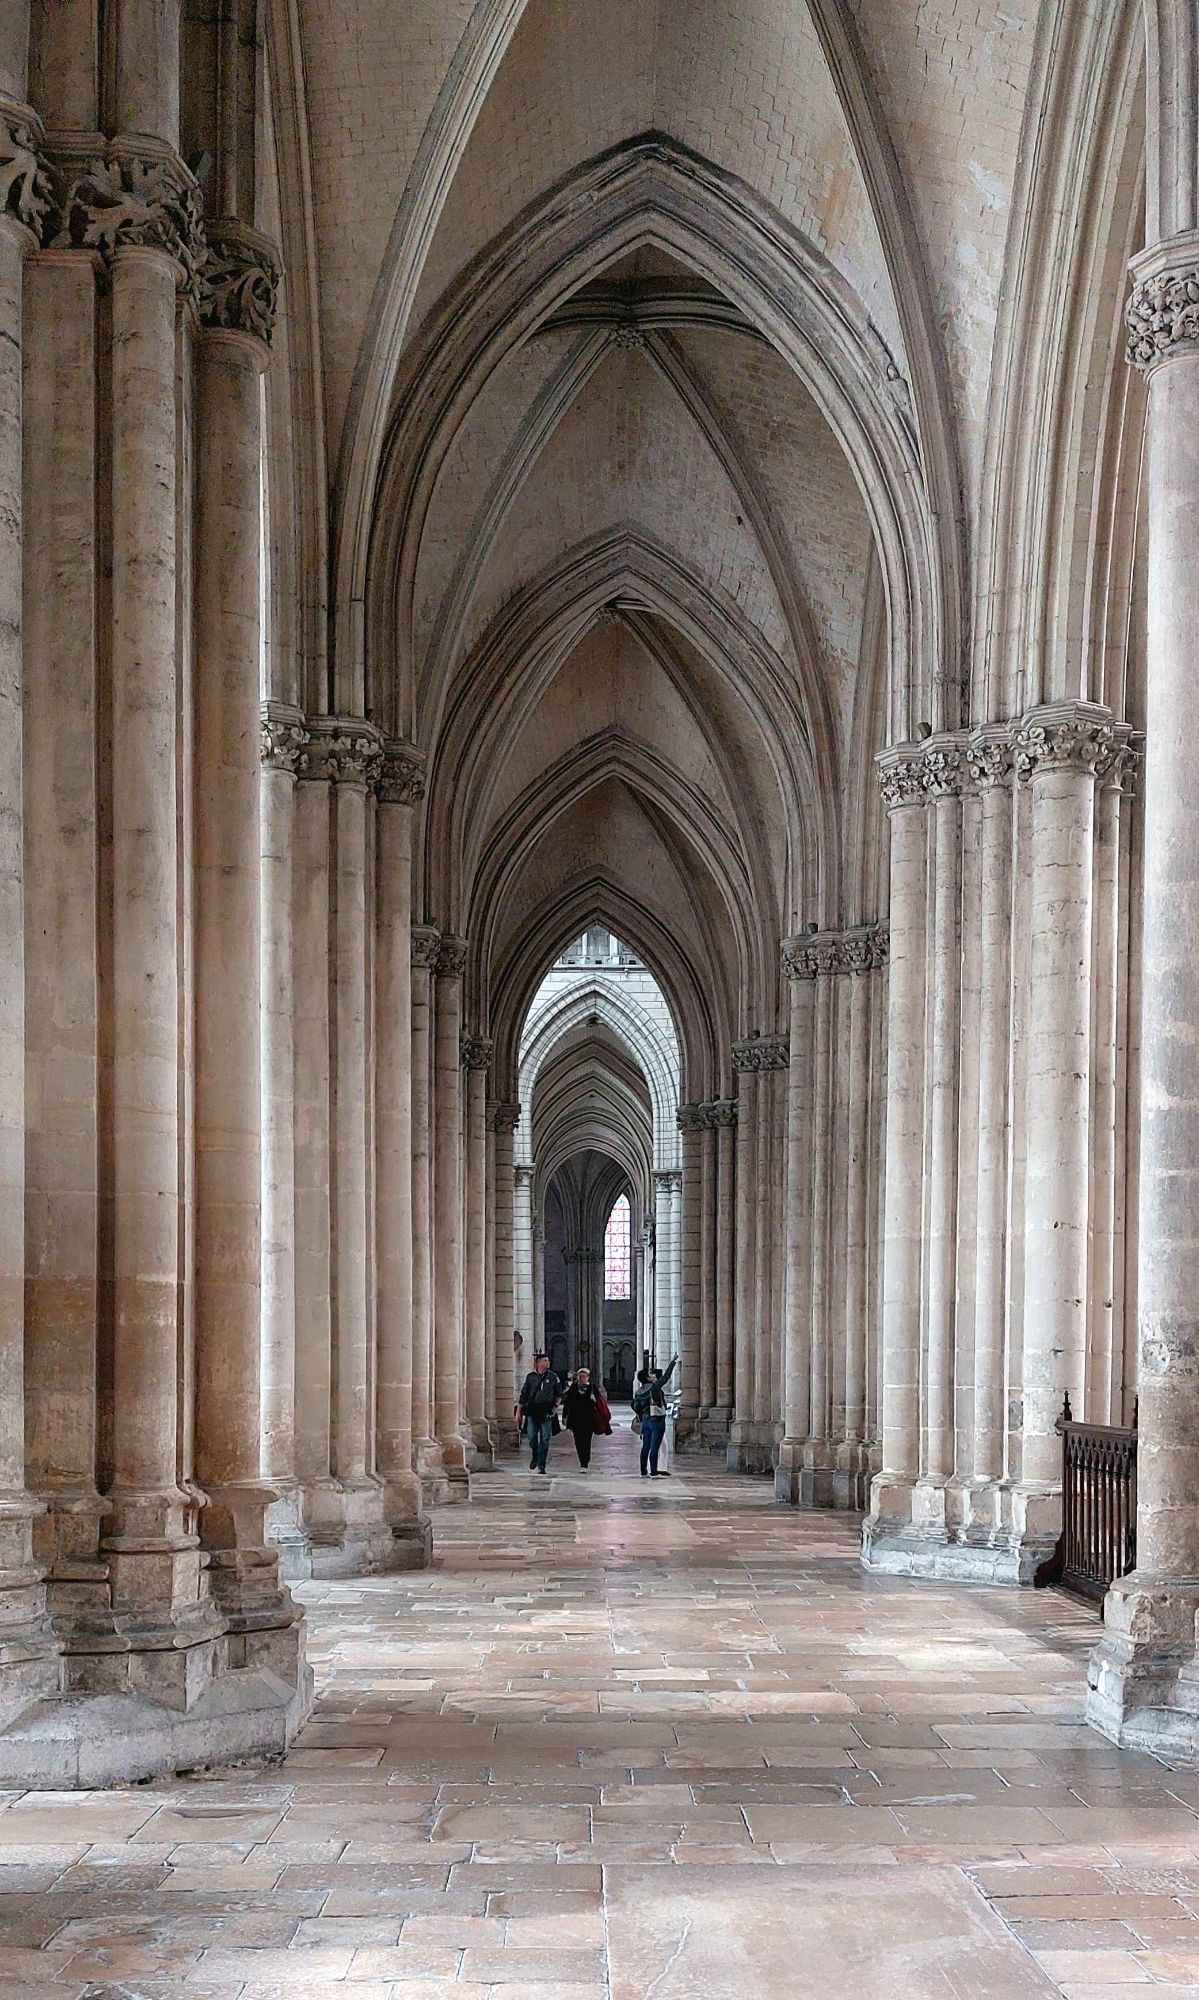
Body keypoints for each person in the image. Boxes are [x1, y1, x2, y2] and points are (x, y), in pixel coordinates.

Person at [633, 1355, 678, 1478]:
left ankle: (643, 1471)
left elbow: (635, 1406)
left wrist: (641, 1417)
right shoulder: (654, 1387)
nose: (653, 1375)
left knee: (645, 1446)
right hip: (657, 1419)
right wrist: (672, 1362)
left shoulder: (638, 1392)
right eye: (650, 1374)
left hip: (646, 1420)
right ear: (647, 1378)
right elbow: (666, 1377)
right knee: (655, 1446)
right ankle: (653, 1471)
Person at [516, 1353, 561, 1474]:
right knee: (531, 1436)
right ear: (538, 1363)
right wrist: (519, 1412)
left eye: (548, 1361)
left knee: (545, 1438)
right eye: (545, 1361)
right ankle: (535, 1454)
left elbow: (559, 1394)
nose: (547, 1363)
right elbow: (524, 1394)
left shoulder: (553, 1377)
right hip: (533, 1410)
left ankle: (542, 1464)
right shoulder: (531, 1377)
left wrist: (555, 1407)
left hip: (547, 1410)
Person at [562, 1366, 605, 1470]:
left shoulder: (592, 1388)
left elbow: (600, 1403)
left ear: (588, 1377)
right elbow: (567, 1403)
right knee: (578, 1441)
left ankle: (585, 1462)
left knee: (587, 1441)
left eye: (584, 1376)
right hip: (575, 1419)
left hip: (589, 1419)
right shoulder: (573, 1388)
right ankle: (582, 1460)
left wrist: (594, 1400)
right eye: (580, 1376)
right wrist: (564, 1417)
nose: (582, 1378)